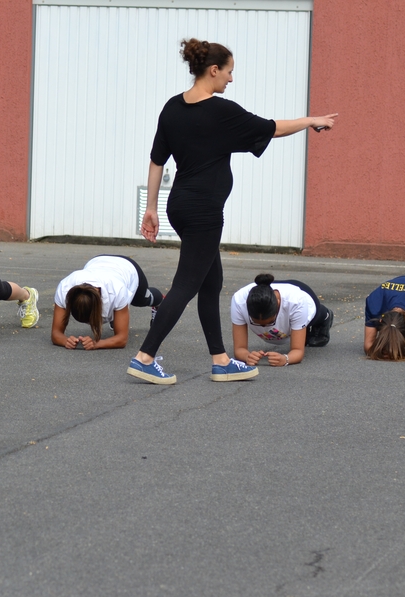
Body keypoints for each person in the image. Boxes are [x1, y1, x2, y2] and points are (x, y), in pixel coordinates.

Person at [127, 38, 338, 384]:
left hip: (179, 205)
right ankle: (145, 356)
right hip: (204, 211)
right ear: (213, 70)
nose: (231, 79)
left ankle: (221, 359)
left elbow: (156, 161)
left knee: (212, 282)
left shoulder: (171, 108)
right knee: (186, 285)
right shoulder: (221, 112)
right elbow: (271, 127)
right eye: (229, 72)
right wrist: (311, 120)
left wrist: (150, 208)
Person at [52, 255, 163, 350]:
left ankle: (160, 301)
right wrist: (65, 341)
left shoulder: (117, 290)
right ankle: (116, 316)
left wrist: (97, 344)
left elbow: (122, 339)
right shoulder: (64, 288)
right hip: (97, 261)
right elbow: (56, 333)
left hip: (127, 267)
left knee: (142, 300)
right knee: (117, 313)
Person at [230, 274, 334, 367]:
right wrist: (247, 356)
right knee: (294, 331)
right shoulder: (239, 301)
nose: (263, 328)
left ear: (279, 304)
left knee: (313, 318)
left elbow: (297, 351)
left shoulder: (297, 301)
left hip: (304, 296)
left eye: (269, 323)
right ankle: (299, 329)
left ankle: (325, 315)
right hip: (265, 292)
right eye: (256, 323)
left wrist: (285, 359)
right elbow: (239, 349)